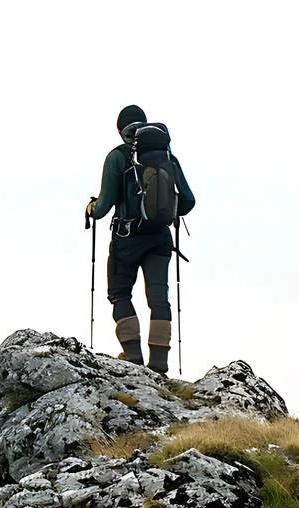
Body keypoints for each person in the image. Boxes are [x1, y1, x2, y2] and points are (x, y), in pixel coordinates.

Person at [86, 105, 195, 374]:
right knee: (159, 298)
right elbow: (189, 200)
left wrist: (90, 207)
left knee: (119, 293)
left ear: (119, 129)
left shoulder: (117, 158)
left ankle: (133, 357)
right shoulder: (168, 157)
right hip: (160, 238)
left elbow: (103, 207)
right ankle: (159, 362)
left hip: (127, 239)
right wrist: (165, 212)